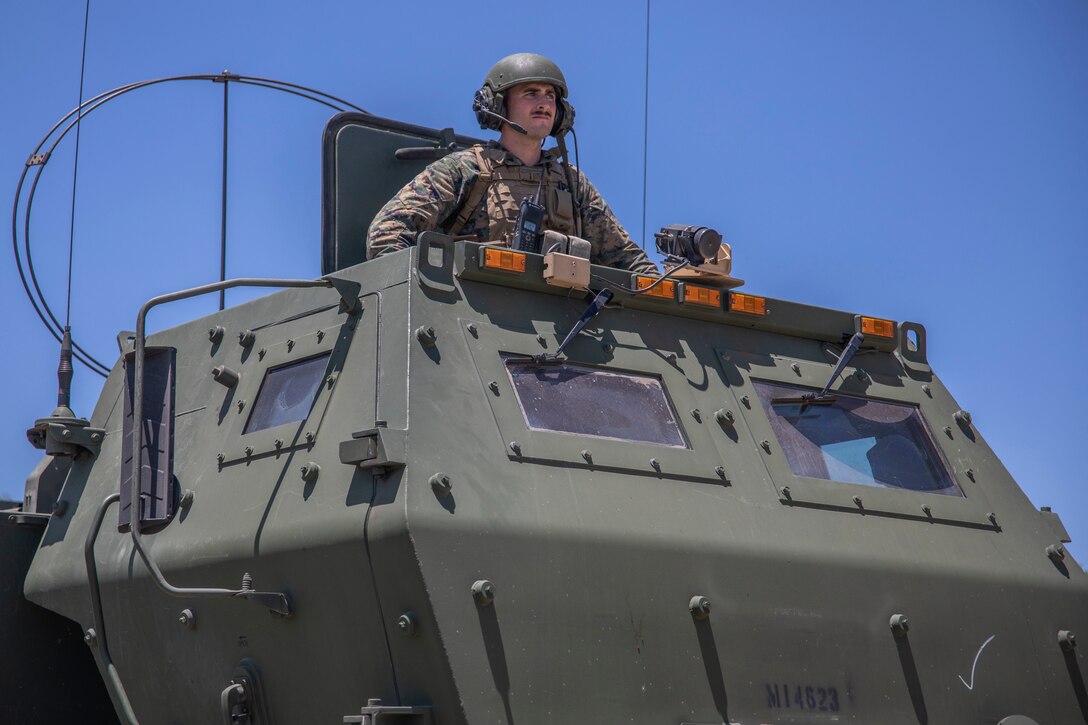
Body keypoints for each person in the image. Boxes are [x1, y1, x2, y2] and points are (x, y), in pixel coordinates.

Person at [367, 53, 658, 274]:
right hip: (474, 322)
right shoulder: (466, 169)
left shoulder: (571, 183)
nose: (544, 103)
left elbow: (627, 261)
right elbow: (387, 233)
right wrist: (427, 300)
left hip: (564, 331)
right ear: (498, 105)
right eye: (531, 93)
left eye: (550, 96)